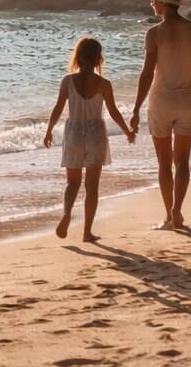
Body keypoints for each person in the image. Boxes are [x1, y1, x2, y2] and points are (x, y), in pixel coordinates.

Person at [130, 0, 191, 232]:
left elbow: (146, 74)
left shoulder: (154, 33)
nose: (151, 3)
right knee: (183, 162)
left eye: (153, 0)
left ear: (161, 2)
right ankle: (177, 211)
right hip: (189, 101)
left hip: (162, 102)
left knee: (164, 163)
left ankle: (168, 216)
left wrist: (135, 109)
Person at [43, 37, 134, 242]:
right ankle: (86, 232)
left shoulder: (68, 81)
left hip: (74, 133)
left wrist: (48, 130)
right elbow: (113, 112)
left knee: (72, 183)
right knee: (92, 187)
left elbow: (58, 108)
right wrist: (127, 131)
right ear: (98, 59)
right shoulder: (104, 84)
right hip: (96, 135)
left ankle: (66, 215)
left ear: (77, 57)